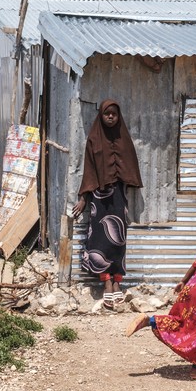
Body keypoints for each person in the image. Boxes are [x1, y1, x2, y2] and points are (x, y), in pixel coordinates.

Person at [124, 213, 196, 380]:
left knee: (182, 321)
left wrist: (183, 282)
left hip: (192, 290)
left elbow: (195, 265)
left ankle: (150, 321)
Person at [71, 99, 143, 309]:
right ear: (101, 116)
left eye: (114, 114)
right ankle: (106, 283)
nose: (110, 117)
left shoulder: (123, 137)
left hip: (118, 197)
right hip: (99, 198)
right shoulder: (94, 138)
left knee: (118, 239)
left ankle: (117, 281)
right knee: (100, 241)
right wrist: (84, 197)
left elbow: (129, 164)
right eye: (107, 114)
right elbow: (89, 170)